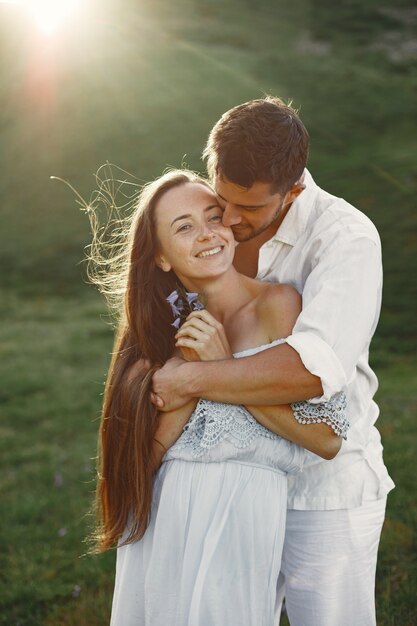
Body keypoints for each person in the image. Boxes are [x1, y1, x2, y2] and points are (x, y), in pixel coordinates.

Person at [151, 98, 395, 626]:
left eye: (252, 210)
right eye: (223, 200)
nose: (231, 222)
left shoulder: (345, 238)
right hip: (233, 483)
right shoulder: (214, 224)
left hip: (323, 487)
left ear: (295, 190)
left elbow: (310, 370)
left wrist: (196, 376)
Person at [89, 169, 348, 626]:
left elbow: (327, 439)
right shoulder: (157, 337)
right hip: (164, 523)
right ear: (162, 258)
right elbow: (135, 468)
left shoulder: (279, 304)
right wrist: (189, 384)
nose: (206, 234)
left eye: (213, 217)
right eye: (183, 227)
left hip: (243, 518)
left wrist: (216, 370)